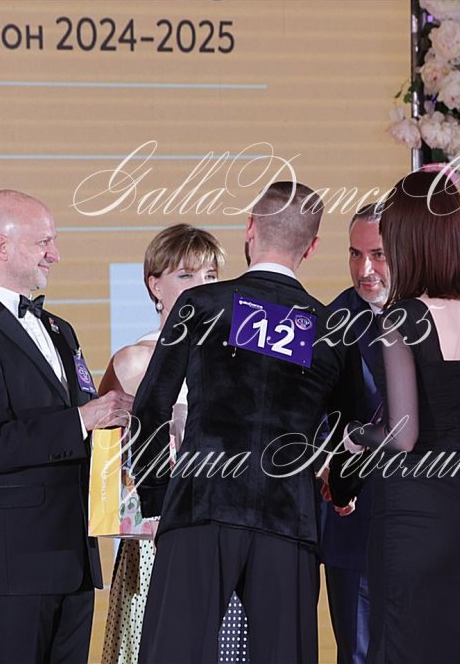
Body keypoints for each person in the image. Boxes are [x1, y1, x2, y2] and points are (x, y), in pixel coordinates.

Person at [132, 181, 365, 664]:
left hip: (199, 509)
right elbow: (354, 432)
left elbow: (151, 406)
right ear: (312, 247)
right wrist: (342, 490)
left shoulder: (201, 305)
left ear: (250, 228)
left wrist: (156, 498)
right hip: (288, 521)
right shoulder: (332, 331)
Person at [328, 170, 460, 664]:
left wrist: (353, 435)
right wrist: (452, 433)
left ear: (408, 239)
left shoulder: (401, 316)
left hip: (411, 517)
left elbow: (403, 434)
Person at [0, 190, 134, 663]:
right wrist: (83, 418)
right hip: (14, 563)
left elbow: (84, 428)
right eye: (44, 242)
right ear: (1, 246)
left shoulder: (61, 330)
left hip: (74, 558)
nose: (55, 254)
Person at [98, 223, 248, 664]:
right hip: (154, 539)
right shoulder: (133, 362)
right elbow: (102, 458)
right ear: (155, 285)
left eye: (210, 276)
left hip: (222, 535)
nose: (201, 286)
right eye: (186, 275)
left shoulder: (237, 360)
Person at [319, 204, 389, 664]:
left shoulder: (438, 314)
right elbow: (310, 417)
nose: (364, 270)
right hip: (355, 523)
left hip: (428, 523)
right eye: (354, 254)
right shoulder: (331, 322)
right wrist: (330, 463)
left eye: (377, 254)